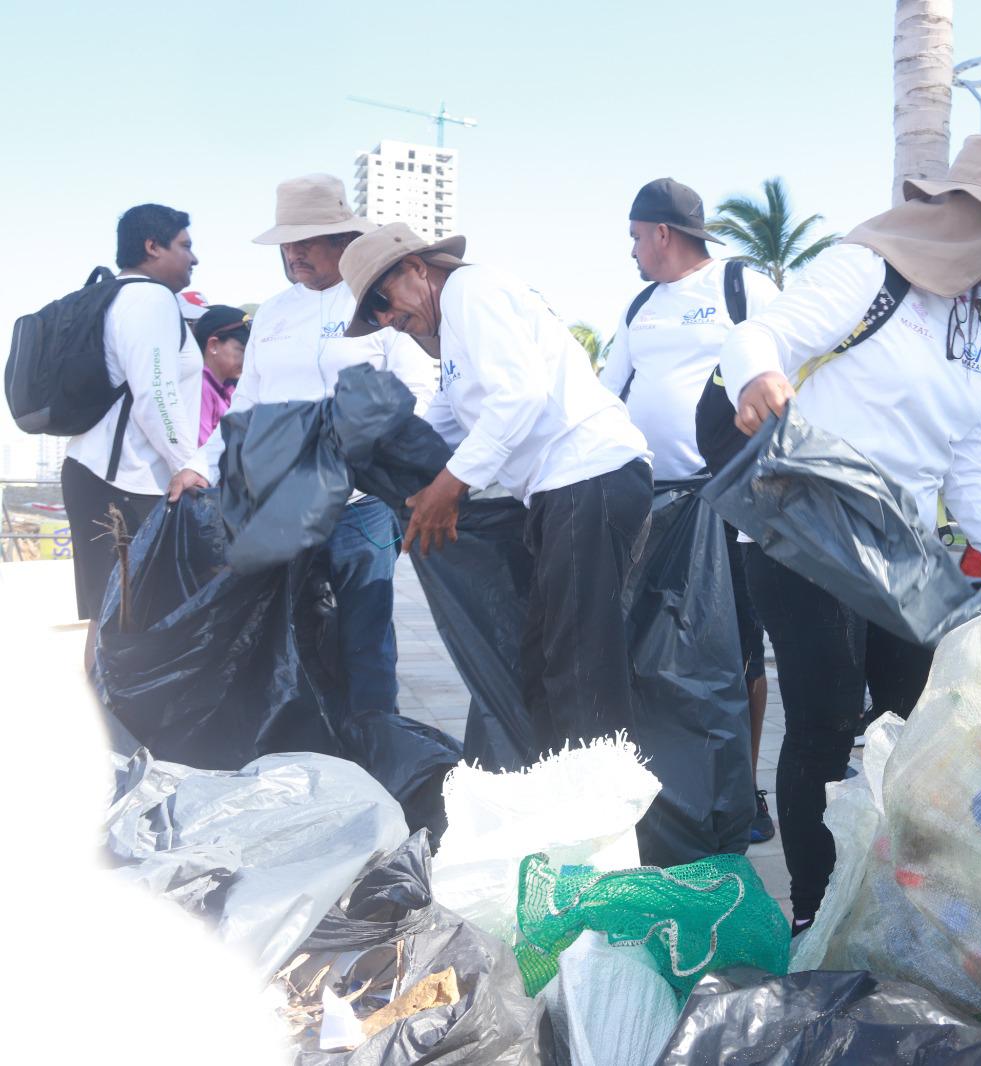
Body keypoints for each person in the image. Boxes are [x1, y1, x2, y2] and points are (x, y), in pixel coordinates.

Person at [720, 133, 981, 933]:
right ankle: (813, 912)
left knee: (919, 717)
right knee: (824, 716)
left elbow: (967, 472)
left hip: (902, 554)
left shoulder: (980, 332)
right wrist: (758, 375)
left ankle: (894, 894)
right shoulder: (868, 270)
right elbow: (758, 335)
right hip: (807, 534)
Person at [341, 222, 652, 755]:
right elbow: (447, 416)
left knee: (578, 666)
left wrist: (449, 485)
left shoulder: (472, 291)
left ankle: (602, 816)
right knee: (542, 661)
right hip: (558, 490)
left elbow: (521, 394)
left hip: (589, 474)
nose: (388, 321)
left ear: (418, 267)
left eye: (383, 301)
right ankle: (559, 794)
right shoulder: (454, 333)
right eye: (375, 316)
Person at [192, 174, 438, 728]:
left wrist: (373, 455)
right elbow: (245, 405)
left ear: (342, 239)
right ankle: (308, 747)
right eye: (288, 241)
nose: (294, 252)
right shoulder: (274, 314)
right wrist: (196, 464)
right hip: (282, 509)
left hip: (359, 507)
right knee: (288, 632)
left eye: (307, 240)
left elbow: (421, 391)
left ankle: (378, 742)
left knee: (364, 634)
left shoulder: (377, 304)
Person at [599, 178, 782, 842]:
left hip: (728, 494)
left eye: (635, 236)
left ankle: (743, 792)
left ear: (663, 234)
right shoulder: (641, 305)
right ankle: (673, 786)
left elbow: (782, 365)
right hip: (652, 499)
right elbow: (608, 387)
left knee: (737, 649)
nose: (632, 250)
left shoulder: (740, 287)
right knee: (661, 645)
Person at [62, 204, 205, 665]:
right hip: (127, 480)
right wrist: (189, 463)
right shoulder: (150, 299)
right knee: (129, 615)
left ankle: (110, 727)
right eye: (184, 245)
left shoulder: (109, 295)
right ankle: (121, 728)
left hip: (96, 470)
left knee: (112, 615)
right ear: (152, 246)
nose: (193, 257)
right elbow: (156, 393)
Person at [191, 305, 248, 445]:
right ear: (213, 345)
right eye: (241, 350)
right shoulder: (200, 388)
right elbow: (203, 448)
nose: (248, 359)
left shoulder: (229, 387)